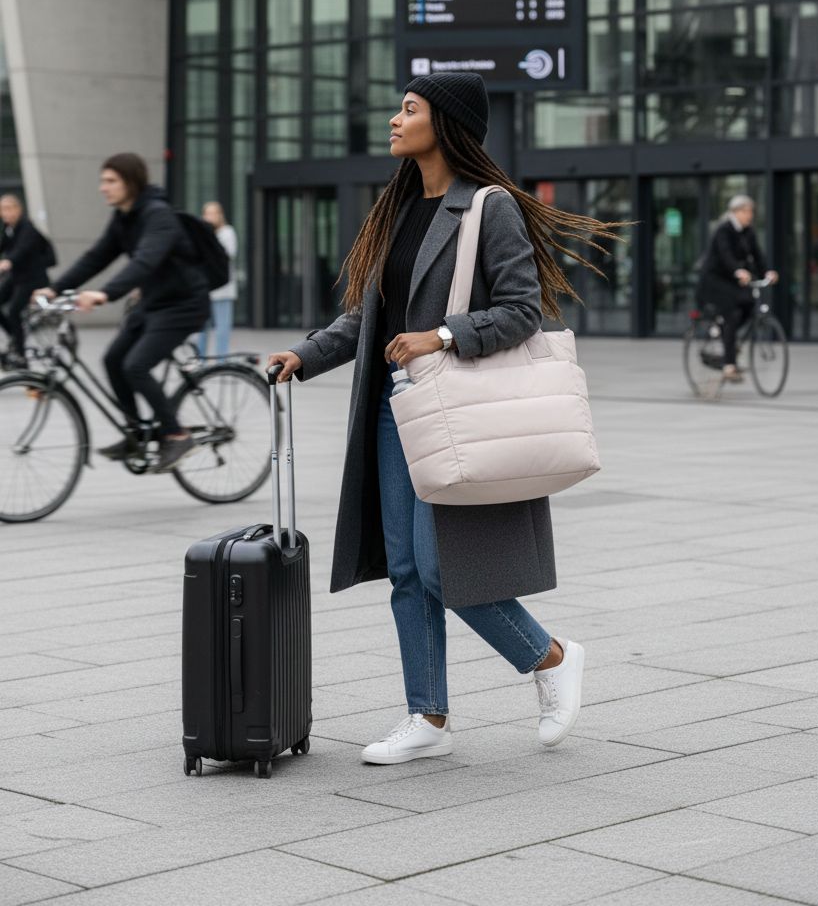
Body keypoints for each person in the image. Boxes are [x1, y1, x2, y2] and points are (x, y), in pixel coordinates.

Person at [268, 73, 620, 766]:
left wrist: (446, 335)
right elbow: (369, 319)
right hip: (394, 412)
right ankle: (427, 716)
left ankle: (548, 656)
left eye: (409, 109)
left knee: (439, 570)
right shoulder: (397, 208)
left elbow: (522, 310)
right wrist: (304, 357)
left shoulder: (490, 208)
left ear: (447, 123)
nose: (395, 120)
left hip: (453, 409)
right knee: (404, 570)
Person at [34, 153, 210, 473]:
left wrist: (104, 293)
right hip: (152, 304)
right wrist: (54, 289)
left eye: (111, 181)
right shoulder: (123, 218)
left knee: (136, 365)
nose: (103, 188)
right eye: (103, 180)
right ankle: (136, 432)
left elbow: (145, 260)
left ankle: (176, 434)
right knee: (112, 360)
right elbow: (95, 258)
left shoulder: (158, 216)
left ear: (131, 182)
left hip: (183, 305)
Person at [698, 194, 779, 381]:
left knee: (750, 304)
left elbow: (757, 256)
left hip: (733, 280)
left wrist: (767, 272)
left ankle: (729, 338)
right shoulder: (723, 230)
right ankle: (729, 366)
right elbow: (725, 256)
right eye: (746, 211)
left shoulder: (748, 231)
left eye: (751, 211)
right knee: (732, 313)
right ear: (735, 212)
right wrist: (738, 270)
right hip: (714, 279)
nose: (749, 215)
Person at [0, 194, 54, 367]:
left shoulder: (27, 227)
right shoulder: (9, 229)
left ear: (18, 209)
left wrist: (8, 262)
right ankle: (16, 338)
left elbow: (22, 249)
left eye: (8, 208)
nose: (5, 213)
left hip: (33, 278)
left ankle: (21, 356)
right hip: (17, 276)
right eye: (2, 209)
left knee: (14, 311)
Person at [197, 201, 237, 359]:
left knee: (222, 329)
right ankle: (200, 361)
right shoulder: (201, 233)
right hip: (205, 290)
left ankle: (222, 362)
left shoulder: (227, 232)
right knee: (201, 329)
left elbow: (226, 256)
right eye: (207, 213)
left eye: (213, 213)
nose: (210, 217)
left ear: (220, 215)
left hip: (223, 290)